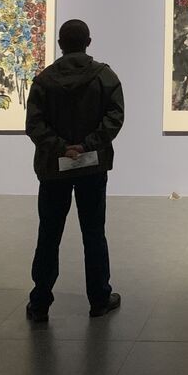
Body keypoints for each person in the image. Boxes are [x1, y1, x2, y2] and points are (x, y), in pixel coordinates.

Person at [25, 18, 125, 321]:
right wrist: (86, 146)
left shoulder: (44, 80)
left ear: (60, 44)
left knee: (49, 234)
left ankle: (40, 302)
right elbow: (114, 118)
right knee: (94, 233)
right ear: (88, 42)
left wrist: (61, 148)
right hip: (92, 167)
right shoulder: (105, 77)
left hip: (53, 170)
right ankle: (99, 298)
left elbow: (34, 124)